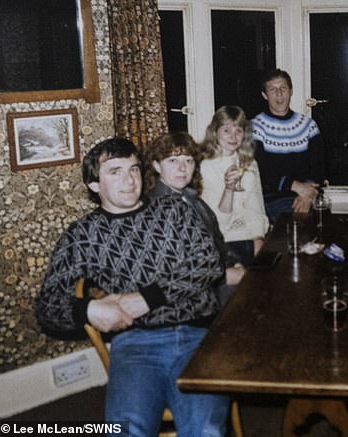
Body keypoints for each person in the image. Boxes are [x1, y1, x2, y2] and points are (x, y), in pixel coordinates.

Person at [35, 138, 230, 437]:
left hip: (197, 336)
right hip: (137, 345)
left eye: (134, 169)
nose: (129, 180)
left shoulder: (174, 210)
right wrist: (89, 308)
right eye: (115, 172)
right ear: (94, 184)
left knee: (205, 430)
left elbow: (208, 264)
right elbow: (46, 306)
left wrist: (146, 299)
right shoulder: (83, 235)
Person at [143, 131, 246, 303]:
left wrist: (235, 264)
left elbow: (218, 242)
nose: (182, 168)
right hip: (190, 300)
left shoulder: (191, 198)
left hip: (215, 280)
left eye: (188, 161)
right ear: (157, 166)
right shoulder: (155, 208)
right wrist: (224, 277)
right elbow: (171, 271)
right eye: (173, 160)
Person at [251, 68, 325, 223]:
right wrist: (295, 186)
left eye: (283, 88)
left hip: (307, 196)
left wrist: (307, 194)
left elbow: (319, 166)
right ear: (265, 95)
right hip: (273, 200)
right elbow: (259, 172)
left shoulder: (308, 125)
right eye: (273, 89)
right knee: (300, 229)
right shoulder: (256, 127)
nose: (279, 94)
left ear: (291, 91)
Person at [201, 106, 269, 266]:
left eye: (238, 130)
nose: (233, 136)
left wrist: (258, 238)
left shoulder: (250, 163)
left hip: (248, 238)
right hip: (221, 242)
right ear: (214, 132)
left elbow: (255, 208)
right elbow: (218, 223)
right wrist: (229, 189)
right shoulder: (204, 166)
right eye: (226, 130)